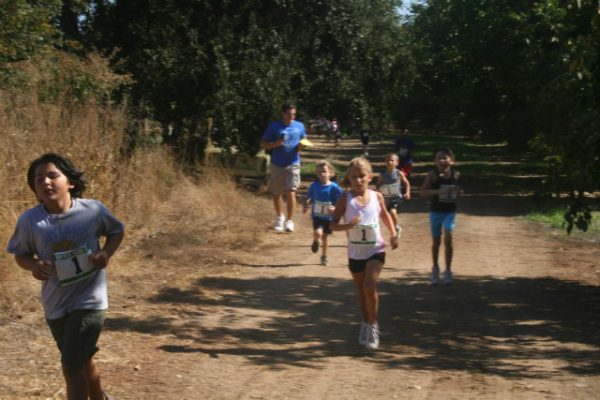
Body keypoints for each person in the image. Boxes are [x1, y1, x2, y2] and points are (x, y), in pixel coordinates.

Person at [6, 153, 125, 400]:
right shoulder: (31, 221)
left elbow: (116, 231)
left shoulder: (92, 211)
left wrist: (105, 253)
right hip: (56, 304)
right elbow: (20, 254)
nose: (46, 182)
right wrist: (34, 266)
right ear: (35, 190)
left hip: (89, 300)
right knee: (82, 359)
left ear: (70, 182)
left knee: (71, 365)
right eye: (39, 180)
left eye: (52, 175)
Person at [331, 157, 398, 350]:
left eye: (361, 176)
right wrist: (348, 225)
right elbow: (333, 224)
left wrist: (393, 233)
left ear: (369, 177)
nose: (358, 180)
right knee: (361, 291)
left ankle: (373, 325)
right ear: (349, 179)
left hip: (376, 249)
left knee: (369, 286)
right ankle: (365, 323)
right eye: (354, 177)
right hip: (355, 252)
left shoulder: (377, 196)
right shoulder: (345, 198)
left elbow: (384, 214)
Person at [261, 103, 308, 233]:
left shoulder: (299, 126)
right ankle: (279, 217)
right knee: (277, 193)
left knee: (291, 191)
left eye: (294, 114)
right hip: (277, 164)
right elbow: (263, 144)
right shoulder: (274, 127)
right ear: (282, 113)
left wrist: (302, 146)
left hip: (293, 163)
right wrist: (275, 144)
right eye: (289, 114)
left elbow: (304, 140)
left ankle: (289, 221)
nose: (291, 117)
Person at [419, 147, 462, 286]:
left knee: (448, 239)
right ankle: (435, 268)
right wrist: (438, 191)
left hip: (449, 212)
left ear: (452, 160)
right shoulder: (432, 175)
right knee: (436, 242)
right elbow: (423, 192)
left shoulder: (456, 174)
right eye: (439, 158)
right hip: (435, 212)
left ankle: (448, 270)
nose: (442, 161)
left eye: (445, 157)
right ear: (435, 161)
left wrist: (457, 193)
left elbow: (459, 191)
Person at [302, 160, 344, 266]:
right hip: (317, 216)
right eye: (319, 172)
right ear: (317, 174)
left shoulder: (334, 187)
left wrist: (335, 208)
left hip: (329, 218)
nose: (322, 174)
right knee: (318, 233)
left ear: (330, 173)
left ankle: (324, 256)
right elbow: (309, 197)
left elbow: (340, 200)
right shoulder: (314, 186)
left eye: (324, 171)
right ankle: (316, 241)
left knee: (325, 238)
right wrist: (306, 204)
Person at [376, 153, 411, 238]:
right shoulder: (382, 175)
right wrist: (378, 191)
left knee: (392, 212)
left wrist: (407, 192)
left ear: (397, 163)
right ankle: (395, 227)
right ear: (385, 162)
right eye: (388, 160)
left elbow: (406, 183)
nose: (390, 162)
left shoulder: (399, 173)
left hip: (396, 197)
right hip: (385, 198)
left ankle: (395, 228)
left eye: (392, 160)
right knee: (387, 215)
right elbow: (377, 185)